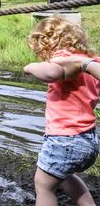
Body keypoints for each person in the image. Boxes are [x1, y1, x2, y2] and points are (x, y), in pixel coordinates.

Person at [24, 16, 100, 206]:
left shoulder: (65, 60)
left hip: (65, 139)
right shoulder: (91, 63)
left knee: (43, 184)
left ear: (48, 45)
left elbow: (52, 74)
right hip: (88, 139)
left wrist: (30, 67)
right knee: (63, 175)